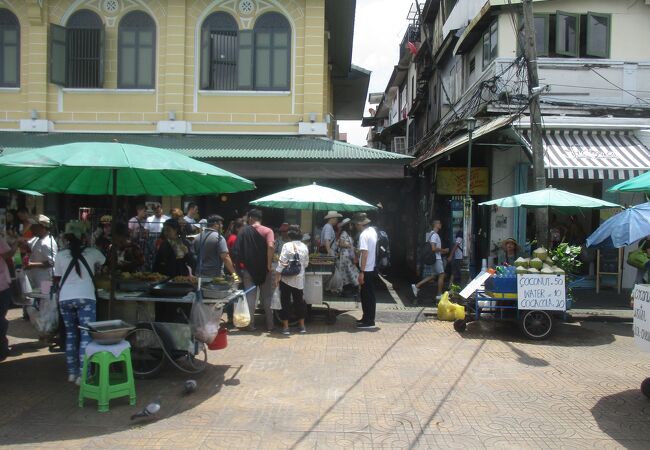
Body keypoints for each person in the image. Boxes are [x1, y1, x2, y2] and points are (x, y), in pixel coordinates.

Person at [54, 225, 105, 384]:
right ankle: (84, 374)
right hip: (86, 297)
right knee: (85, 336)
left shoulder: (60, 255)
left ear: (67, 238)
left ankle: (72, 372)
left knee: (70, 335)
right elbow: (103, 261)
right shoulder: (92, 252)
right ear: (84, 237)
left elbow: (57, 276)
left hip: (65, 299)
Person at [233, 209, 275, 332]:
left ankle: (250, 325)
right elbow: (271, 246)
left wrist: (238, 268)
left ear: (250, 218)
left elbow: (236, 251)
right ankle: (270, 325)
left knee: (250, 298)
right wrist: (268, 264)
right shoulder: (268, 231)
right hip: (265, 270)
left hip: (248, 270)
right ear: (260, 219)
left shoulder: (243, 232)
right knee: (267, 297)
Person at [274, 225, 310, 335]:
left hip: (286, 279)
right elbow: (306, 263)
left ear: (289, 235)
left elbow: (282, 261)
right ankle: (302, 326)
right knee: (299, 302)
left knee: (285, 302)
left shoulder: (286, 245)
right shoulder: (304, 246)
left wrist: (277, 274)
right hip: (299, 279)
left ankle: (285, 327)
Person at [411, 219, 448, 302]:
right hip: (436, 258)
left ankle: (417, 286)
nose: (441, 224)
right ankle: (439, 294)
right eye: (439, 223)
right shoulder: (434, 235)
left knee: (433, 276)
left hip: (434, 258)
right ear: (435, 225)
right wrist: (444, 250)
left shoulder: (431, 234)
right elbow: (433, 248)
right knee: (441, 274)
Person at [353, 212, 378, 329]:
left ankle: (369, 321)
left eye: (355, 224)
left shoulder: (363, 235)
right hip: (372, 267)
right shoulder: (372, 231)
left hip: (366, 268)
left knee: (366, 295)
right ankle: (367, 317)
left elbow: (365, 253)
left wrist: (361, 272)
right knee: (369, 294)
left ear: (359, 224)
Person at [25, 215, 58, 291]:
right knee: (40, 300)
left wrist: (31, 264)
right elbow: (27, 244)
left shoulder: (47, 242)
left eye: (34, 226)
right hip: (37, 279)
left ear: (42, 227)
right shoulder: (37, 239)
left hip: (46, 280)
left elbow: (52, 262)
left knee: (47, 300)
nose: (31, 228)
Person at [327, 218, 359, 295]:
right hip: (345, 257)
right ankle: (355, 286)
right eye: (350, 224)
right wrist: (349, 245)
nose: (352, 226)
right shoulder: (344, 233)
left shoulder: (347, 234)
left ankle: (351, 288)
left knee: (349, 272)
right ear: (348, 225)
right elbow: (341, 244)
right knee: (351, 271)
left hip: (347, 256)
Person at [0, 235, 18, 361]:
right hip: (1, 286)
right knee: (1, 319)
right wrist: (16, 243)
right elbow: (8, 254)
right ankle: (2, 349)